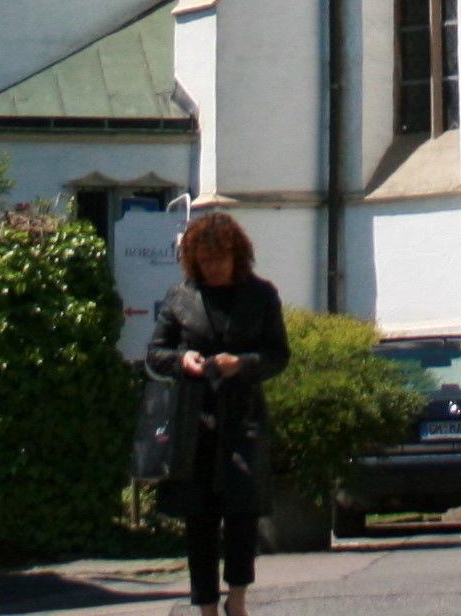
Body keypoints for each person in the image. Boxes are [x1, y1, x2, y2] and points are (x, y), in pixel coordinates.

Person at [144, 206, 288, 616]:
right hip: (194, 423)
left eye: (220, 258)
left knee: (243, 513)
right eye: (205, 260)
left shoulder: (261, 295)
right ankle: (206, 605)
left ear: (236, 255)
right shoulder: (181, 296)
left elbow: (278, 355)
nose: (213, 267)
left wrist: (242, 364)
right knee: (199, 519)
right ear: (193, 260)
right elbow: (156, 354)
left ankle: (237, 599)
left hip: (244, 420)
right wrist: (184, 359)